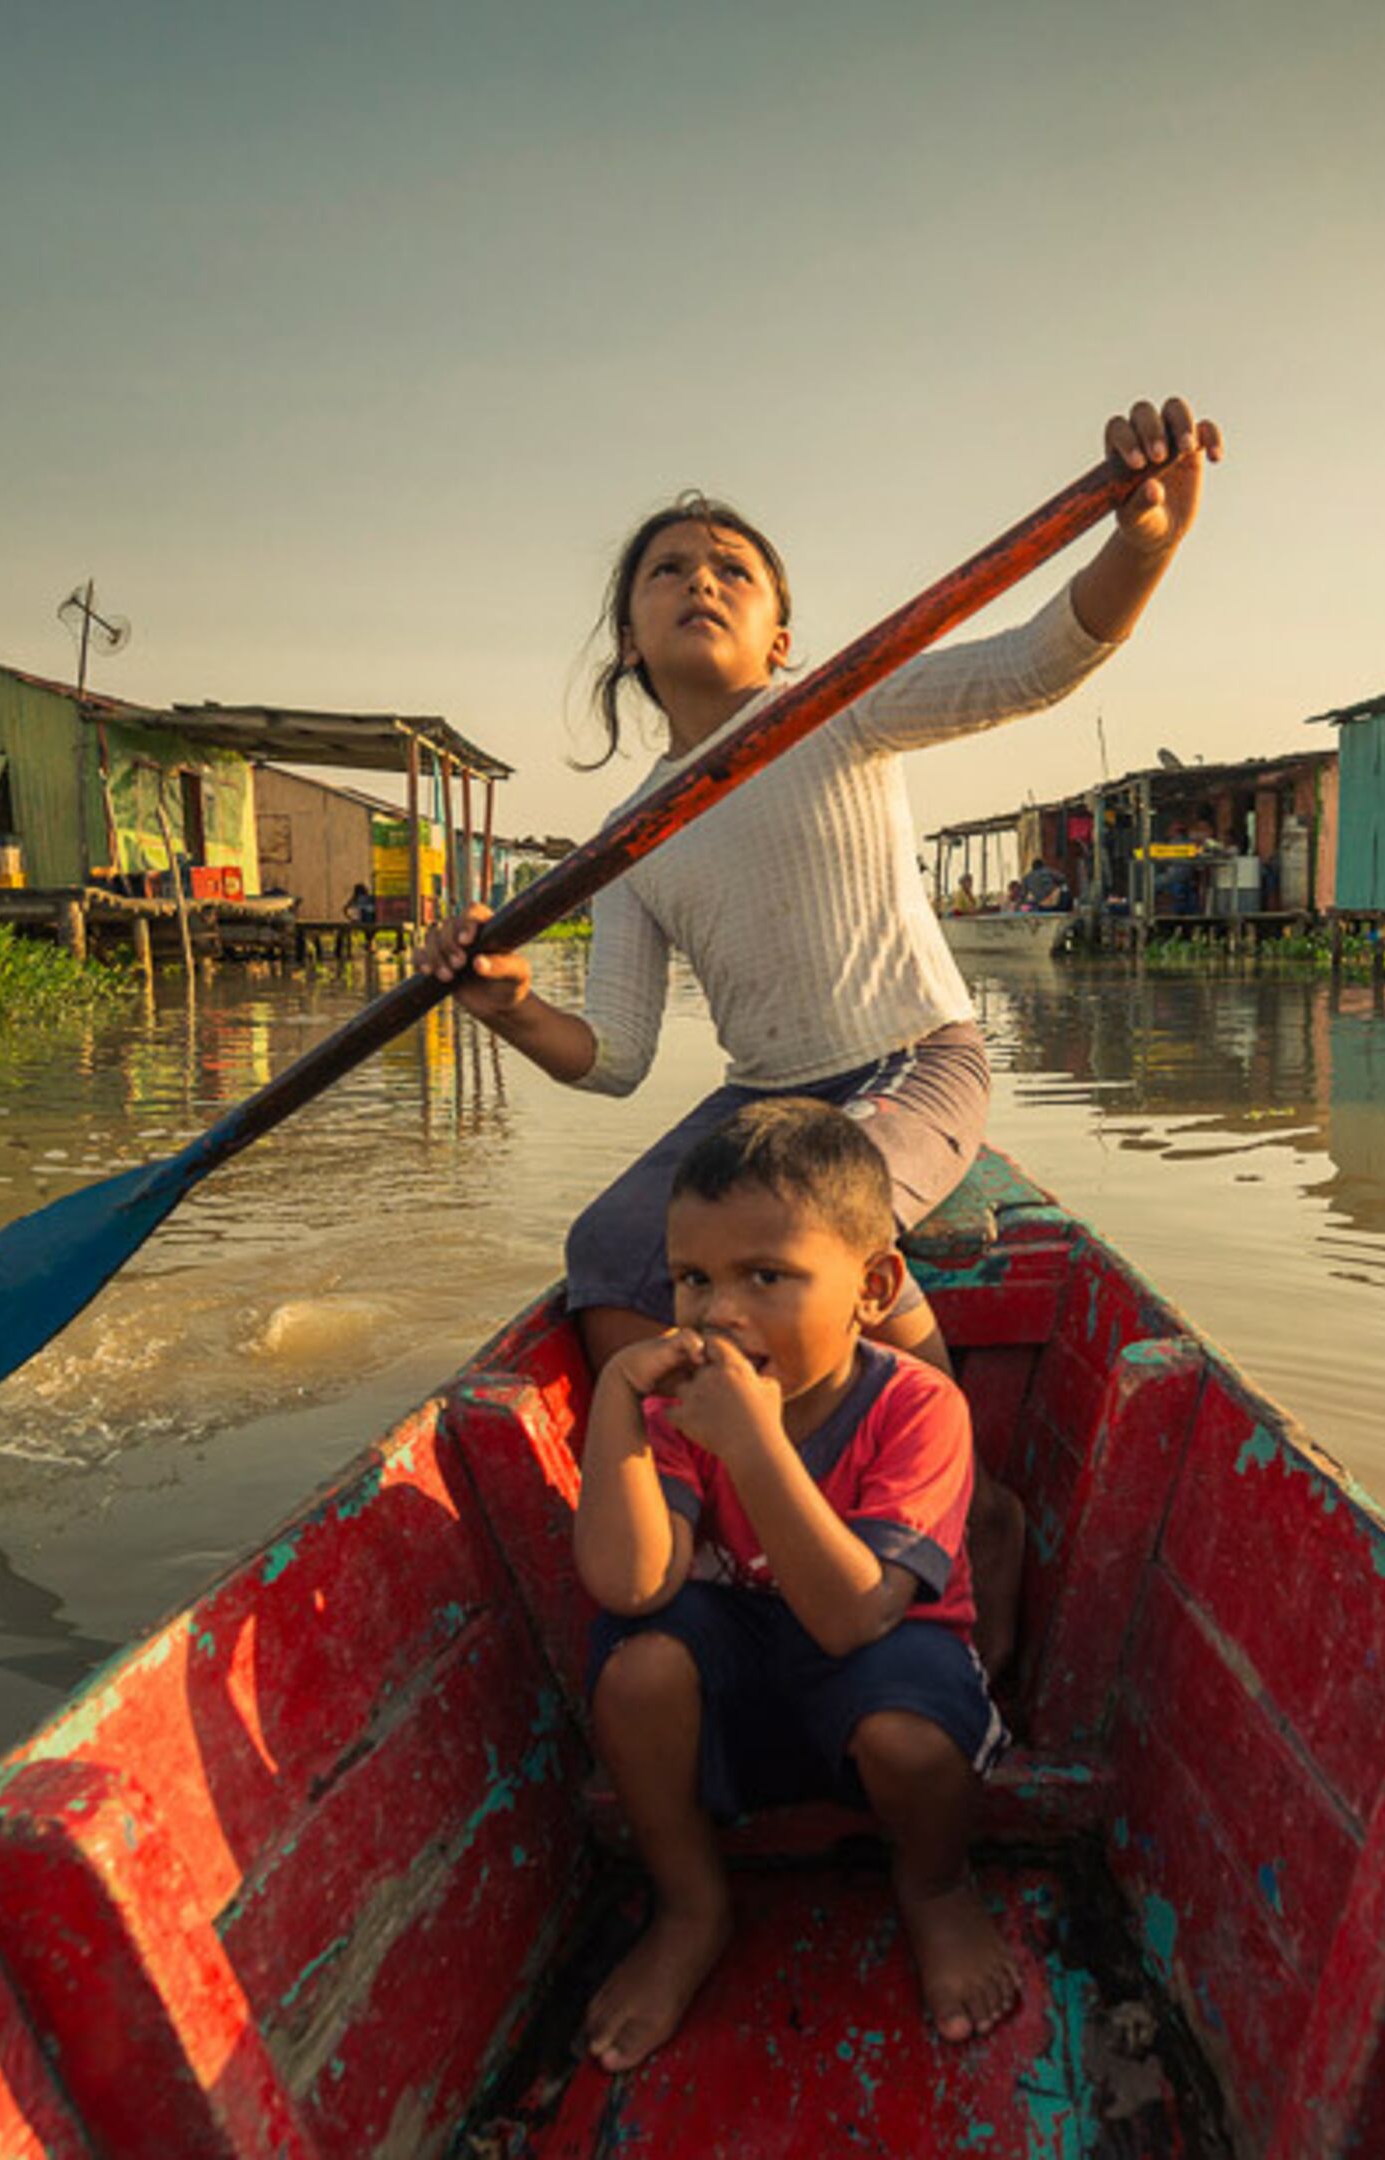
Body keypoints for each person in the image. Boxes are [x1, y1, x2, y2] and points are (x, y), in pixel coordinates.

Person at [418, 397, 1221, 1676]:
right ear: (629, 640)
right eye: (669, 570)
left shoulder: (838, 705)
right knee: (608, 1248)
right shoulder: (631, 839)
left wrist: (1146, 540)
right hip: (766, 1091)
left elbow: (1038, 661)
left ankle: (969, 1508)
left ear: (779, 634)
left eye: (732, 569)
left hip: (915, 1057)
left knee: (817, 1217)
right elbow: (613, 1056)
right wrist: (509, 1005)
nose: (700, 581)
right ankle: (722, 1492)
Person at [574, 1099, 1009, 2069]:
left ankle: (936, 1889)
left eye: (766, 1276)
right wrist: (618, 1400)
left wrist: (757, 1445)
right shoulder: (686, 1406)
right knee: (635, 1669)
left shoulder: (918, 1407)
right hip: (745, 1666)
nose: (719, 1312)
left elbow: (859, 1616)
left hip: (880, 1654)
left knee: (910, 1738)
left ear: (872, 1287)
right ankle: (691, 1905)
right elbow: (630, 1584)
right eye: (692, 1280)